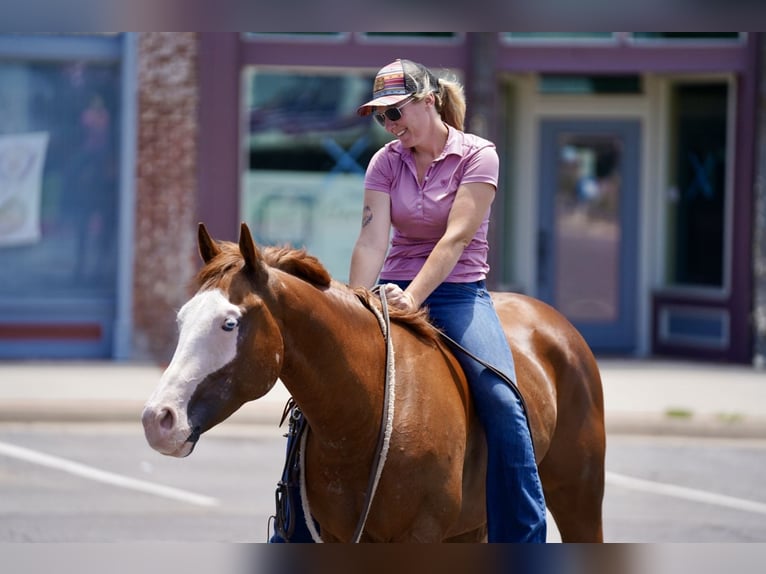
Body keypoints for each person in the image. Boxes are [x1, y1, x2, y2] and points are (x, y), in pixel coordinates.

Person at [270, 58, 546, 543]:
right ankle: (291, 532)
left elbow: (455, 240)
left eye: (397, 113)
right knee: (310, 401)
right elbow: (373, 240)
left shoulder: (479, 155)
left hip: (458, 293)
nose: (390, 126)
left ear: (429, 100)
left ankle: (523, 538)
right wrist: (354, 306)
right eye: (382, 117)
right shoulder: (385, 161)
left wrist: (412, 298)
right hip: (391, 289)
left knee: (503, 400)